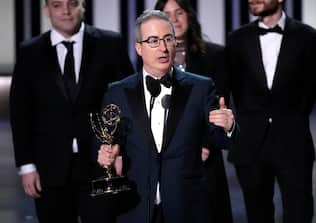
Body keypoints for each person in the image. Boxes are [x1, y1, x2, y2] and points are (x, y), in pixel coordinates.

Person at [96, 10, 237, 223]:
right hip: (135, 207)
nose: (163, 48)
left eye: (167, 39)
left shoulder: (200, 87)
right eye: (153, 41)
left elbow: (220, 140)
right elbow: (105, 142)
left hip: (187, 207)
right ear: (138, 48)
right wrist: (106, 154)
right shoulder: (117, 92)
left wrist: (229, 126)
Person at [10, 0, 134, 222]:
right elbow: (21, 113)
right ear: (47, 10)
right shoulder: (30, 52)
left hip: (100, 163)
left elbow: (126, 102)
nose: (65, 11)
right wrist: (26, 166)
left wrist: (119, 147)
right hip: (50, 166)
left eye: (72, 3)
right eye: (57, 5)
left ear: (82, 6)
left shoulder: (110, 44)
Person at [224, 0, 316, 222]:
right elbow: (233, 90)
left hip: (293, 142)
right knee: (257, 214)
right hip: (250, 144)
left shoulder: (309, 37)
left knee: (299, 213)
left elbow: (309, 92)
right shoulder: (237, 39)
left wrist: (286, 121)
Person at [154, 1, 233, 222]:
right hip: (164, 157)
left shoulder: (216, 55)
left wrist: (205, 144)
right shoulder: (150, 58)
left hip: (203, 155)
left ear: (189, 15)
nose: (175, 19)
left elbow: (220, 105)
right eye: (167, 14)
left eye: (179, 12)